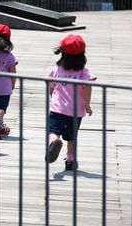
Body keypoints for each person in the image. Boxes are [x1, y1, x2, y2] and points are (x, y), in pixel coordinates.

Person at [45, 34, 96, 170]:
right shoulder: (83, 72)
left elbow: (51, 86)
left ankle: (54, 142)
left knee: (53, 131)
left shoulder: (56, 70)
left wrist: (53, 98)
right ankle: (70, 160)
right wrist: (87, 105)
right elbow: (88, 87)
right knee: (71, 137)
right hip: (76, 111)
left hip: (58, 109)